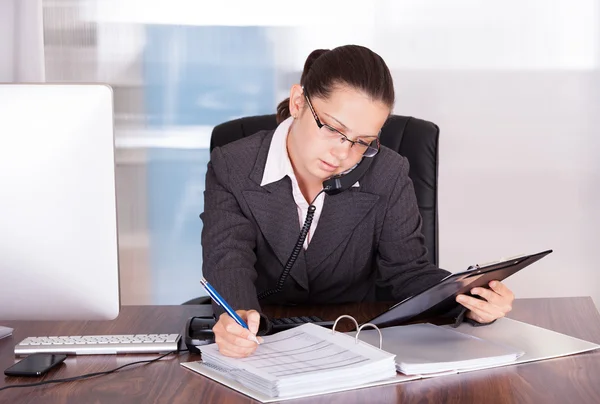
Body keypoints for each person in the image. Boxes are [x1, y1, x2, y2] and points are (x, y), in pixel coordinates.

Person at [201, 45, 514, 358]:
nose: (342, 152)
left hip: (357, 336)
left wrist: (472, 299)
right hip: (262, 339)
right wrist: (236, 316)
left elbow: (408, 272)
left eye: (362, 142)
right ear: (298, 103)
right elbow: (228, 258)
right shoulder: (232, 164)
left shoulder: (387, 171)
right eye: (333, 129)